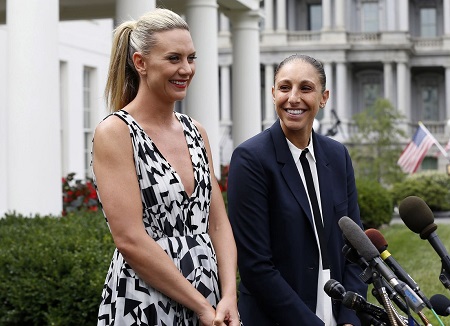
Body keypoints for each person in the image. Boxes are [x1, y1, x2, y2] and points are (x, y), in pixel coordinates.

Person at [91, 8, 240, 326]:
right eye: (174, 58)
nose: (186, 69)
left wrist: (229, 296)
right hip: (145, 303)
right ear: (140, 63)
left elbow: (218, 225)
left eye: (191, 57)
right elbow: (129, 238)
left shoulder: (195, 131)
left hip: (210, 301)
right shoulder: (116, 132)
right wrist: (200, 306)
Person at [227, 54, 367, 326]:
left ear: (323, 97)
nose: (293, 98)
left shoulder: (338, 156)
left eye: (305, 88)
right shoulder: (250, 159)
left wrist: (350, 317)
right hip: (278, 317)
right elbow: (255, 266)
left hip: (338, 311)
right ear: (273, 93)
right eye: (284, 87)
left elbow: (357, 248)